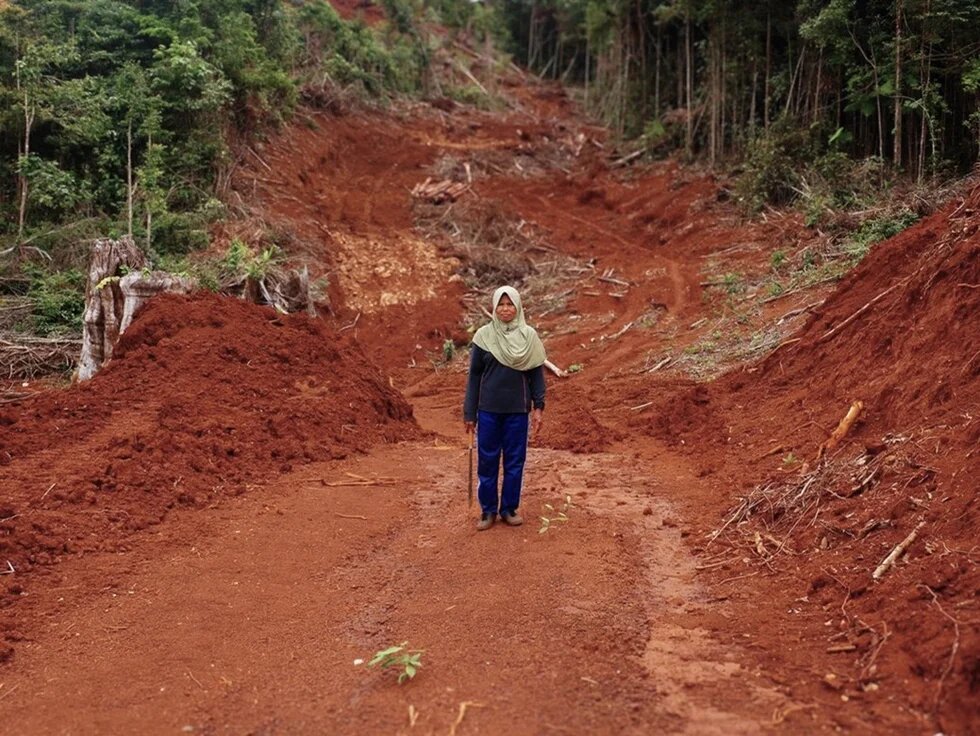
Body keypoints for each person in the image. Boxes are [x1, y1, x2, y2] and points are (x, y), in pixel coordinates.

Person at [463, 285, 546, 531]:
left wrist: (538, 407)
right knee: (487, 461)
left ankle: (509, 508)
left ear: (518, 307)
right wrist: (470, 413)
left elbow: (537, 375)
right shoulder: (483, 337)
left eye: (510, 304)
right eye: (501, 304)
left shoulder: (529, 336)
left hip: (518, 411)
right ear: (494, 307)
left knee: (514, 461)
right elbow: (474, 377)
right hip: (488, 411)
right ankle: (487, 510)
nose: (506, 309)